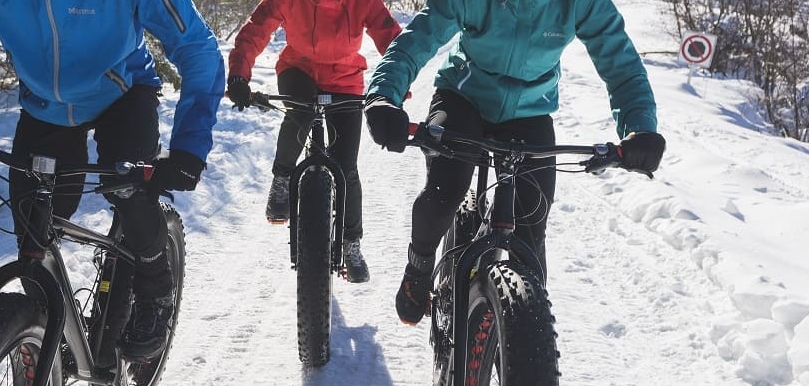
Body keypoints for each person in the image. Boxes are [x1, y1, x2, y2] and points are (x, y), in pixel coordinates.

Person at [0, 0, 225, 359]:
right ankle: (45, 335)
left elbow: (197, 46)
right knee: (34, 227)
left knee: (131, 192)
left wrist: (190, 147)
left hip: (124, 94)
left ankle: (155, 287)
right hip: (45, 105)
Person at [363, 0, 667, 324]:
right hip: (463, 99)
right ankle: (420, 265)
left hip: (529, 111)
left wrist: (640, 127)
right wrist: (384, 95)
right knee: (443, 193)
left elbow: (620, 63)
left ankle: (526, 338)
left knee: (531, 228)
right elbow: (416, 41)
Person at [225, 0, 403, 283]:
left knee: (346, 168)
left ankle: (351, 244)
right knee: (302, 109)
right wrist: (238, 74)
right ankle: (283, 178)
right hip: (299, 70)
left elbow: (391, 38)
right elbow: (256, 29)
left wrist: (397, 83)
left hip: (345, 80)